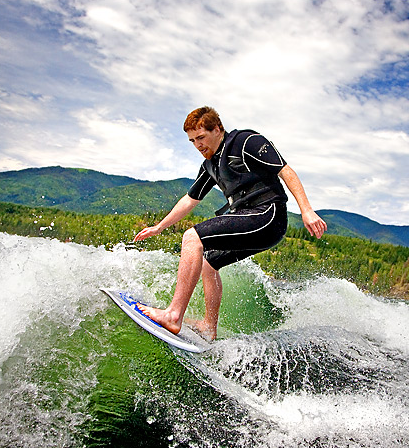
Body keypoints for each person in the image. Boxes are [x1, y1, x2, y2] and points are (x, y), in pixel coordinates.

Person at [133, 106, 326, 341]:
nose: (198, 145)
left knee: (192, 237)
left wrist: (306, 210)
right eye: (192, 141)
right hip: (250, 218)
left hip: (268, 214)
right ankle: (208, 327)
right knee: (208, 264)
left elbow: (285, 170)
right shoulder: (209, 165)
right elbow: (190, 199)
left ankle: (173, 315)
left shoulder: (246, 141)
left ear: (218, 129)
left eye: (201, 137)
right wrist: (159, 227)